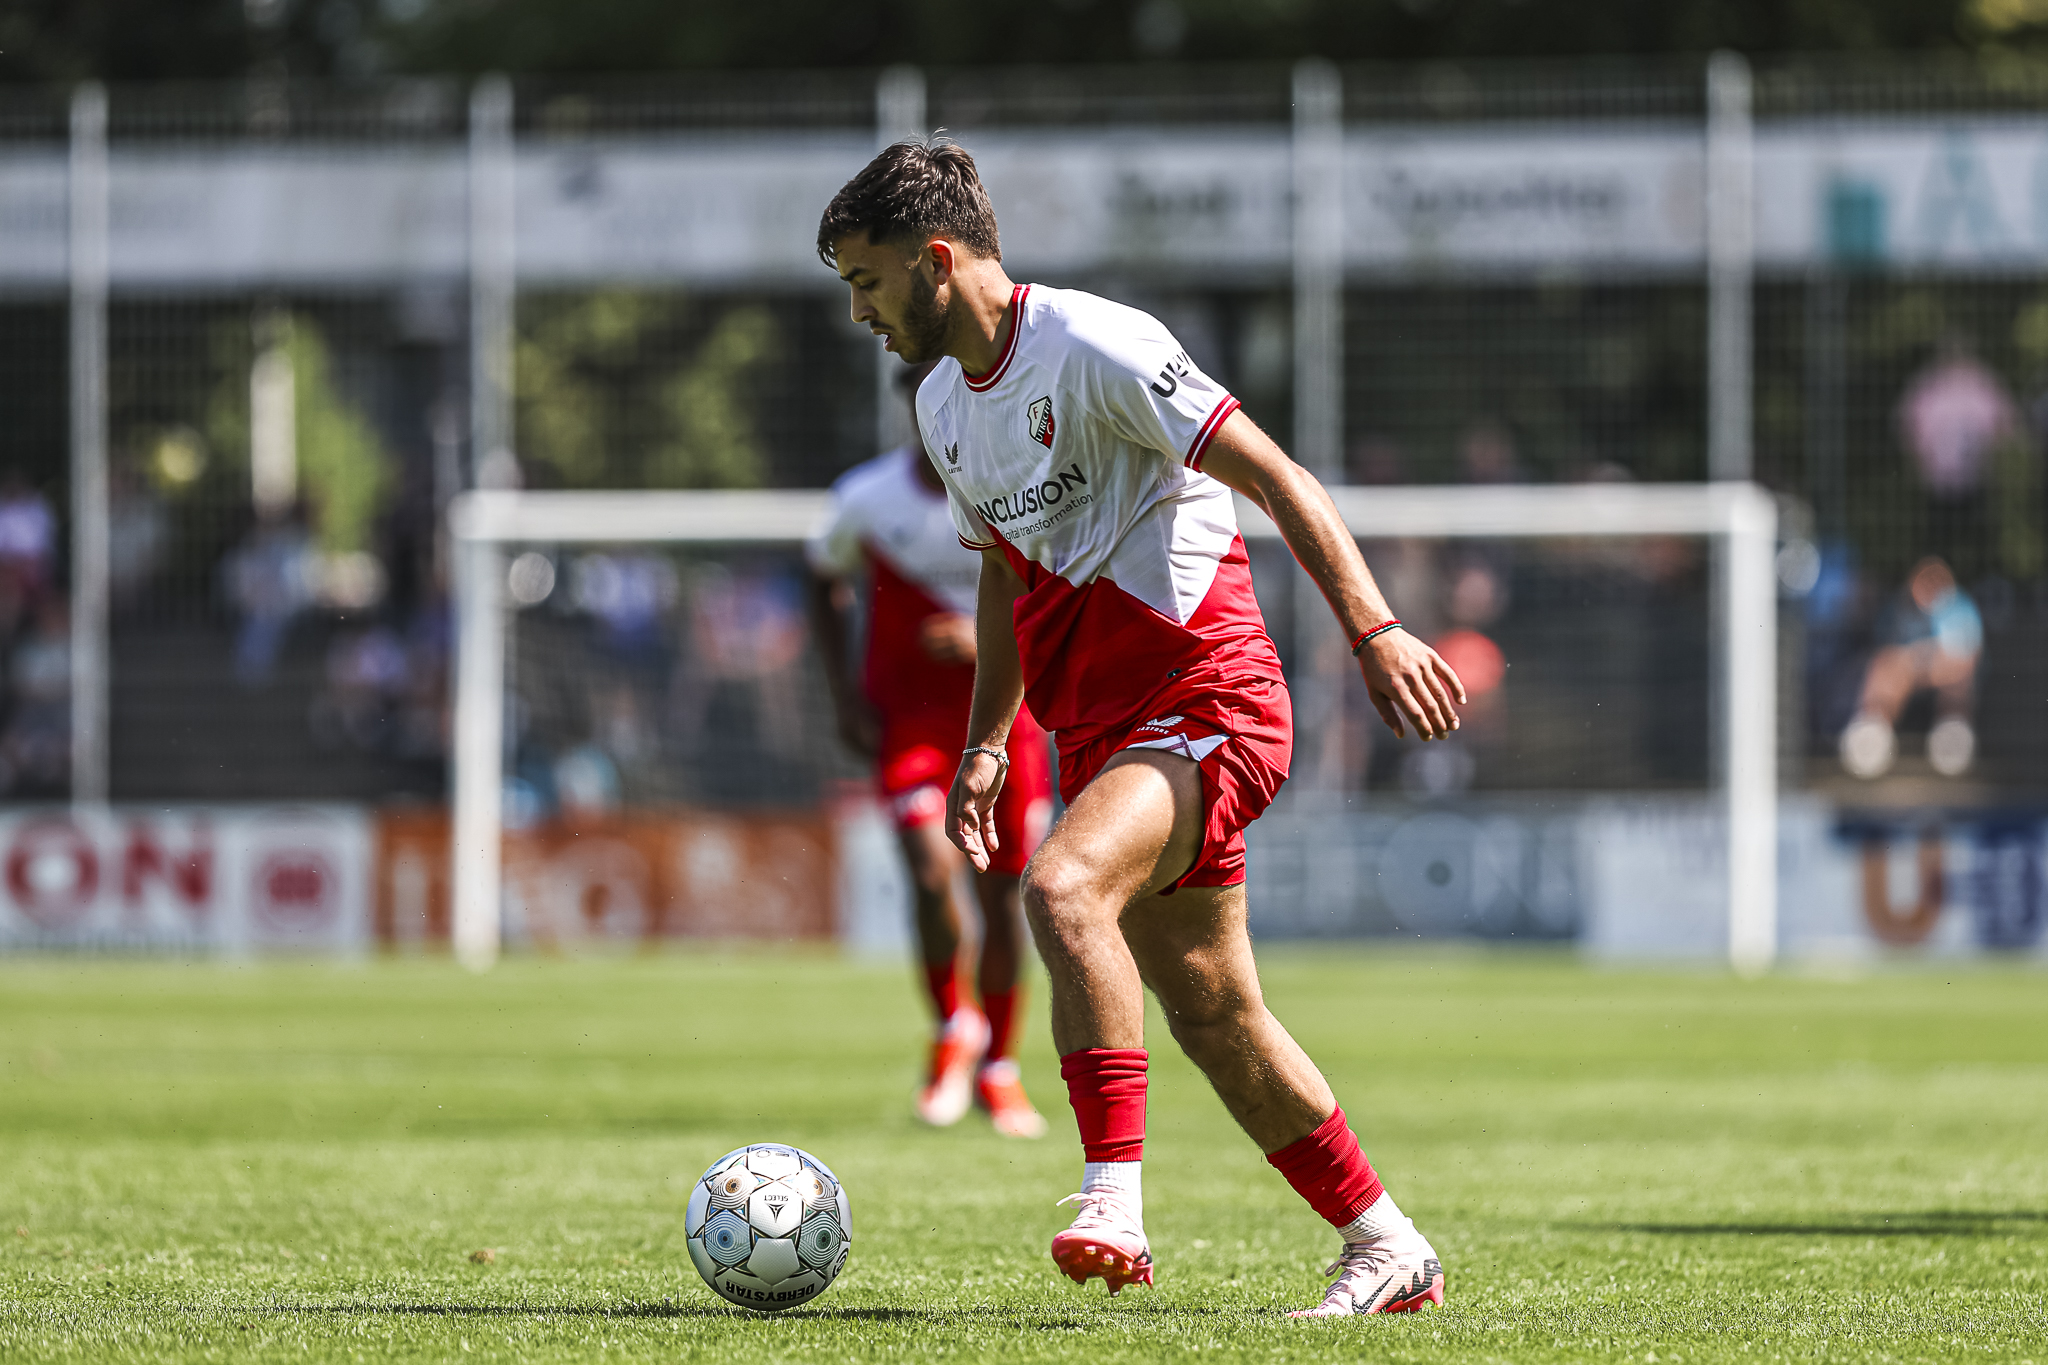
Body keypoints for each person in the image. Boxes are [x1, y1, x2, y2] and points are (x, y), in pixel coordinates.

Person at [816, 138, 1467, 1316]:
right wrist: (982, 745)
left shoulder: (1096, 343)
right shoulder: (938, 408)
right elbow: (1006, 581)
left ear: (937, 259)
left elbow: (1276, 476)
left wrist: (1373, 632)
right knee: (1216, 1013)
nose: (857, 310)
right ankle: (1386, 1245)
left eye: (864, 280)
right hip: (1101, 735)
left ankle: (1110, 1198)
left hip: (1211, 699)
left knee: (1061, 888)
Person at [807, 358, 1055, 1139]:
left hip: (1008, 724)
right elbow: (821, 577)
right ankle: (956, 1028)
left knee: (1005, 893)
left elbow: (1061, 598)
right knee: (925, 862)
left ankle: (1000, 1067)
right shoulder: (867, 499)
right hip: (912, 726)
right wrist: (845, 693)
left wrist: (986, 645)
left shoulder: (1028, 489)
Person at [1838, 555, 1982, 779]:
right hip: (1908, 677)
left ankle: (1953, 737)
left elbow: (1963, 659)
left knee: (1958, 681)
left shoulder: (1960, 608)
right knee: (1883, 667)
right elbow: (1886, 651)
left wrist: (1917, 661)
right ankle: (1872, 732)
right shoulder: (1898, 609)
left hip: (1948, 678)